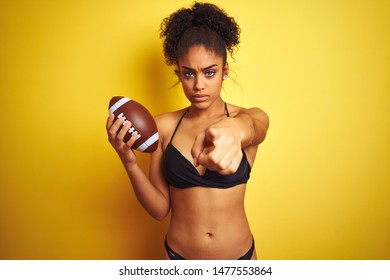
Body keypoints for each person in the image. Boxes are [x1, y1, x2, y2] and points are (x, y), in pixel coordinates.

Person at [106, 2, 269, 260]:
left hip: (239, 259)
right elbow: (160, 209)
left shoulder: (247, 118)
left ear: (224, 71)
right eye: (189, 74)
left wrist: (235, 131)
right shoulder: (163, 127)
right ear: (179, 73)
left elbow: (255, 126)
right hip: (178, 258)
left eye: (210, 72)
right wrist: (129, 161)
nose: (199, 85)